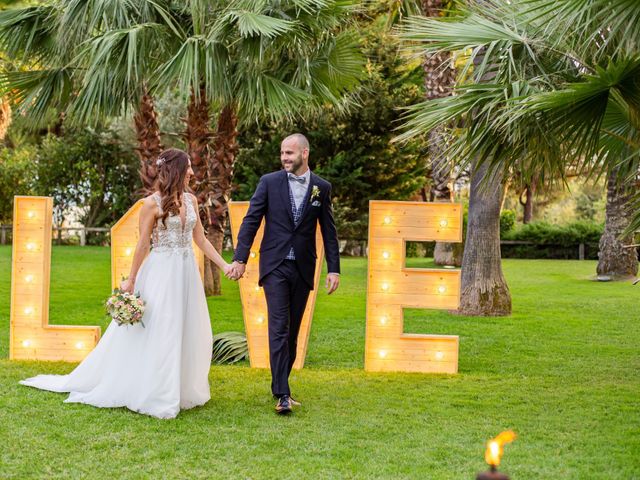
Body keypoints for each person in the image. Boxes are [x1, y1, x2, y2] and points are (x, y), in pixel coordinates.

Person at [20, 148, 234, 419]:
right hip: (161, 273)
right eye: (189, 167)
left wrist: (224, 265)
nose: (193, 172)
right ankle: (159, 392)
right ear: (176, 170)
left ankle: (181, 389)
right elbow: (143, 244)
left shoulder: (191, 200)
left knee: (186, 327)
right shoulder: (151, 204)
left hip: (186, 272)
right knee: (163, 329)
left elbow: (200, 240)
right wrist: (131, 280)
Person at [230, 133, 340, 414]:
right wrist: (240, 258)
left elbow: (328, 230)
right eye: (282, 153)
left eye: (290, 153)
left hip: (303, 268)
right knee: (279, 327)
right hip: (275, 265)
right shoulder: (269, 182)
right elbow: (251, 220)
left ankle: (280, 383)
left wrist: (334, 269)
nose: (284, 158)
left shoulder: (321, 188)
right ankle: (283, 394)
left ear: (305, 153)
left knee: (292, 333)